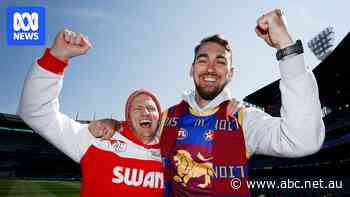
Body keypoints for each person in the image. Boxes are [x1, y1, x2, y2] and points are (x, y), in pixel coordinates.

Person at [90, 9, 325, 196]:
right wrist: (113, 123)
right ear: (192, 70)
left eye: (220, 61)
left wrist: (286, 46)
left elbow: (303, 141)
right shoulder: (167, 117)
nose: (211, 68)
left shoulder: (242, 118)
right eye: (203, 60)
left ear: (231, 73)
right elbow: (136, 129)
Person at [17, 29, 164, 197]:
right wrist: (56, 58)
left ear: (159, 117)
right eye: (137, 108)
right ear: (128, 118)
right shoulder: (97, 139)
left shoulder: (174, 151)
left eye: (152, 109)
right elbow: (36, 111)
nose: (145, 112)